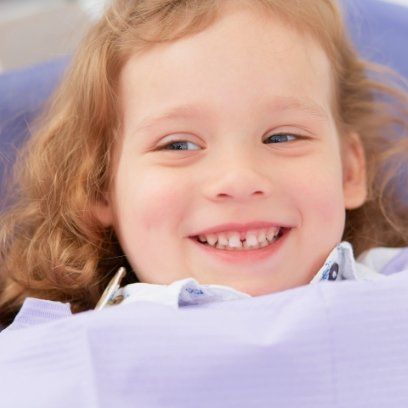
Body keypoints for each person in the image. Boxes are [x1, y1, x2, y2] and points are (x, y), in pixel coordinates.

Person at [0, 0, 407, 328]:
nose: (239, 178)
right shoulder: (55, 354)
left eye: (282, 137)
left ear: (350, 170)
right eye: (178, 145)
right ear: (98, 185)